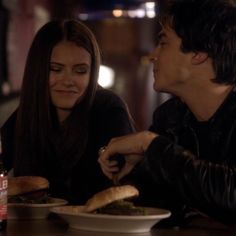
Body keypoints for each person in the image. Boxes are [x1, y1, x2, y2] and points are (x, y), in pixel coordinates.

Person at [98, 0, 236, 226]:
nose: (154, 54)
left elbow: (231, 193)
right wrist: (126, 171)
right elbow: (155, 207)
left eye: (163, 43)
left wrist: (151, 145)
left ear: (199, 53)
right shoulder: (171, 117)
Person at [0, 19, 134, 204]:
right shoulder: (30, 111)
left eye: (80, 71)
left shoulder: (108, 108)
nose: (68, 80)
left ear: (92, 73)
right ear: (37, 71)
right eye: (56, 69)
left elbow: (127, 190)